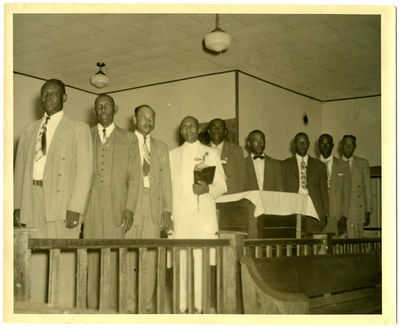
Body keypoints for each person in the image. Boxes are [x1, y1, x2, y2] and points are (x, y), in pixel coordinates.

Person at [13, 78, 93, 306]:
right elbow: (20, 170)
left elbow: (85, 171)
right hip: (32, 199)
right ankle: (38, 309)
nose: (48, 98)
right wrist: (17, 205)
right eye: (44, 94)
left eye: (54, 94)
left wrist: (76, 207)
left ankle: (64, 311)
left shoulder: (78, 128)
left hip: (63, 203)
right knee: (36, 259)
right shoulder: (28, 131)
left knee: (64, 260)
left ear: (64, 97)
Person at [83, 94, 141, 310]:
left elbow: (135, 177)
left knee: (117, 257)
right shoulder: (85, 136)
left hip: (118, 205)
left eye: (107, 105)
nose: (104, 109)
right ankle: (92, 309)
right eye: (99, 106)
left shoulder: (129, 139)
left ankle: (115, 310)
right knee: (92, 256)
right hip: (91, 207)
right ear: (94, 111)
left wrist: (129, 209)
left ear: (115, 109)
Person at [169, 116, 226, 313]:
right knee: (182, 257)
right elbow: (168, 188)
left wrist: (207, 190)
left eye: (191, 126)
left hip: (202, 215)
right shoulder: (172, 155)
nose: (188, 130)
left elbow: (221, 186)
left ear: (198, 129)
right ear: (181, 131)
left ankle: (201, 305)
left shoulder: (210, 153)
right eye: (184, 127)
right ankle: (182, 304)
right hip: (180, 214)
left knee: (201, 257)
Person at [126, 104, 173, 313]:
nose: (148, 121)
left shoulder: (162, 147)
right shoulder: (124, 142)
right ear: (134, 120)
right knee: (128, 256)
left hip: (153, 206)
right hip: (130, 206)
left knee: (149, 256)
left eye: (152, 117)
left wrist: (167, 210)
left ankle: (144, 305)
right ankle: (128, 304)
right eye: (143, 117)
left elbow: (167, 181)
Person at [282, 133, 329, 236]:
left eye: (304, 142)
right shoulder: (285, 165)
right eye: (299, 142)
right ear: (294, 145)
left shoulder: (319, 165)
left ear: (309, 144)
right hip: (292, 210)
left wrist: (325, 213)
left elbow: (324, 192)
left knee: (315, 246)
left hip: (314, 211)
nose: (302, 145)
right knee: (294, 245)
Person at [318, 134, 352, 238]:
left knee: (335, 248)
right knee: (319, 249)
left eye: (327, 144)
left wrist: (344, 217)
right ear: (318, 146)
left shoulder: (343, 165)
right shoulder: (312, 165)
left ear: (332, 146)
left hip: (336, 215)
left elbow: (347, 194)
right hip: (318, 215)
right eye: (322, 144)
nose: (325, 147)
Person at [341, 135, 373, 238]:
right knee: (341, 242)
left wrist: (368, 211)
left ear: (355, 147)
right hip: (340, 211)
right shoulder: (336, 163)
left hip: (357, 210)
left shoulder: (363, 163)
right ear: (341, 146)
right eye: (346, 145)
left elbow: (368, 188)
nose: (348, 147)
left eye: (351, 145)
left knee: (356, 242)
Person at [207, 118, 246, 194]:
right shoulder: (201, 151)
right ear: (209, 131)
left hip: (231, 196)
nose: (217, 130)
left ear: (225, 132)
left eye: (220, 127)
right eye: (214, 127)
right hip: (209, 197)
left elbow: (242, 178)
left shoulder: (237, 150)